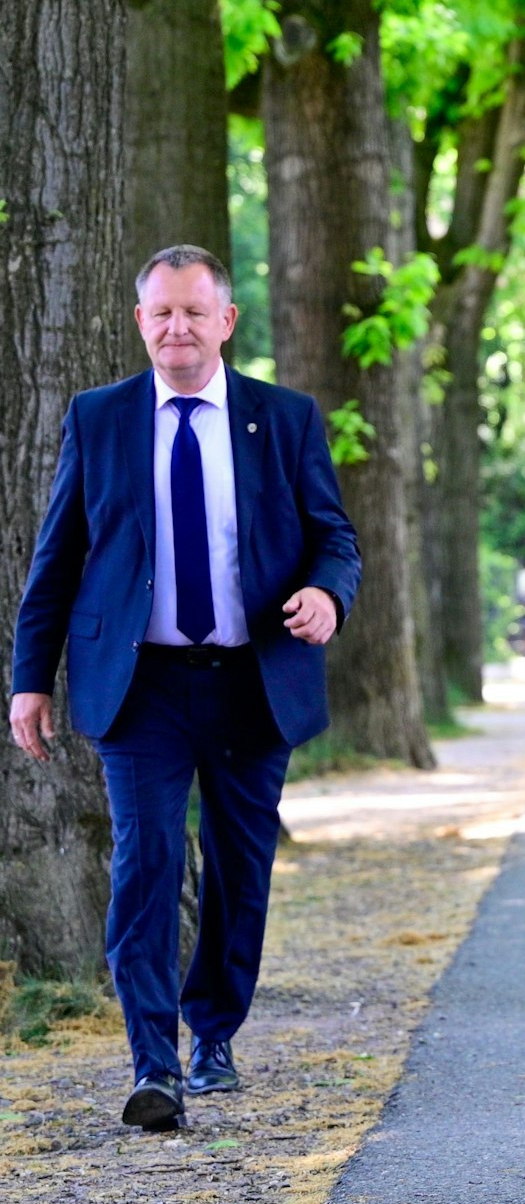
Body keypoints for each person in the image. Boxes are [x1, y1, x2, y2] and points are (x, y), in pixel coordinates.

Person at [9, 244, 360, 1130]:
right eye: (161, 312)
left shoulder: (283, 417)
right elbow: (58, 560)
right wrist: (28, 681)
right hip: (141, 686)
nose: (177, 328)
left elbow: (334, 538)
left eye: (194, 312)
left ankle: (214, 1035)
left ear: (226, 321)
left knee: (241, 874)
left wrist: (326, 594)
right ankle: (152, 1063)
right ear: (141, 322)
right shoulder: (99, 419)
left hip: (252, 680)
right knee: (147, 863)